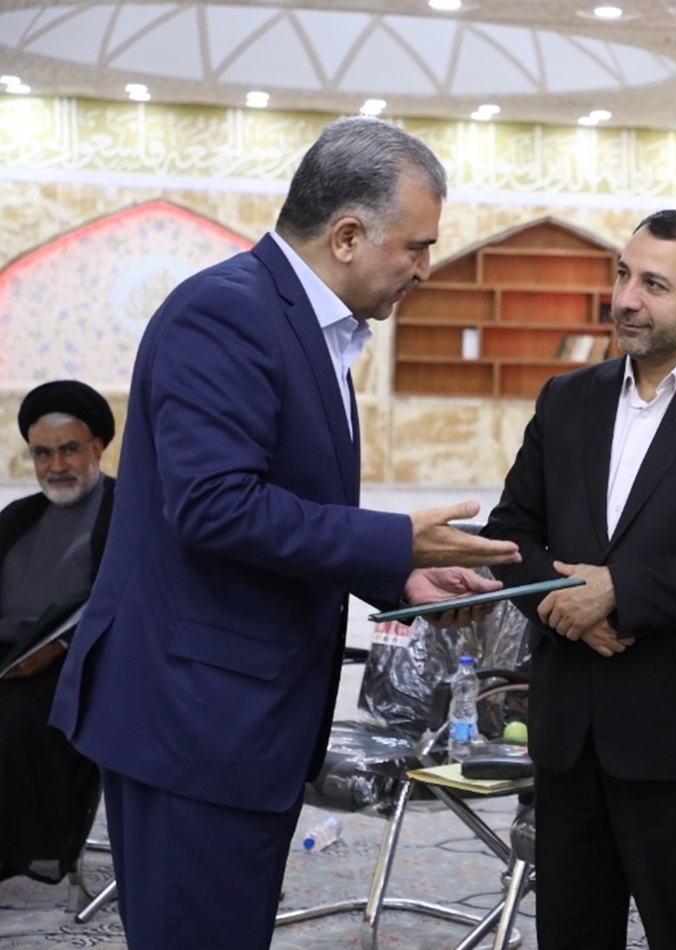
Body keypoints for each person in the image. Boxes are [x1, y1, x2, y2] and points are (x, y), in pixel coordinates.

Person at [47, 117, 521, 950]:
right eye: (416, 246)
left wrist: (396, 578)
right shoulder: (226, 314)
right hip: (194, 717)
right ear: (347, 236)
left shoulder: (301, 322)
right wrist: (394, 541)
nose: (424, 267)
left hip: (241, 717)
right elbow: (214, 505)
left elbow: (283, 501)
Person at [482, 209, 676, 950]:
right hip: (568, 733)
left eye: (654, 285)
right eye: (623, 275)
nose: (626, 299)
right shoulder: (567, 399)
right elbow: (510, 532)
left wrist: (618, 591)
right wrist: (565, 604)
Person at [0, 381, 113, 884]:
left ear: (97, 447)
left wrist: (61, 647)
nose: (56, 465)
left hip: (83, 665)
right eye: (42, 454)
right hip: (9, 659)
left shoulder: (127, 511)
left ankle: (25, 851)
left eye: (69, 449)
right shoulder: (18, 516)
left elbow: (136, 603)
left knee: (15, 716)